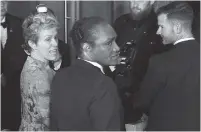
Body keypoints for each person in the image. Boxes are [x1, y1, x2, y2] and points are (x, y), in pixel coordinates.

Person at [132, 2, 200, 130]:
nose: (158, 32)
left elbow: (142, 101)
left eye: (161, 27)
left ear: (177, 27)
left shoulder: (160, 61)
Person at [50, 17, 124, 131]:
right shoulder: (103, 85)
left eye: (115, 41)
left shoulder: (60, 76)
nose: (117, 48)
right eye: (109, 43)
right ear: (87, 48)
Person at [113, 0, 173, 125]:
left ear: (151, 1)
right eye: (132, 0)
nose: (134, 4)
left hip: (144, 101)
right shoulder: (120, 23)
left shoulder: (160, 25)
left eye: (140, 0)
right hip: (116, 96)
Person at [19, 4, 59, 131]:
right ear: (32, 43)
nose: (55, 44)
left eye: (55, 37)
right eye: (48, 39)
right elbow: (50, 120)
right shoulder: (38, 76)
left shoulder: (34, 62)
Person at [1, 0, 27, 130]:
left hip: (13, 79)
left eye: (3, 1)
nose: (1, 4)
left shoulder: (18, 23)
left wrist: (10, 73)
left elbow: (22, 51)